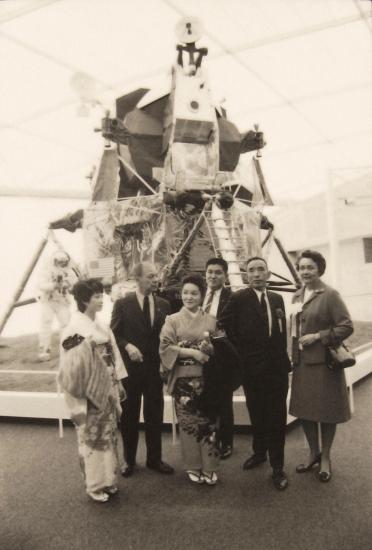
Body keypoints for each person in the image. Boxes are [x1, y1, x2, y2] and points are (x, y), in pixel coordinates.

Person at [219, 257, 291, 491]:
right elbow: (222, 325)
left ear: (268, 273)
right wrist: (239, 353)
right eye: (252, 270)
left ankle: (278, 467)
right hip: (252, 370)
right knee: (257, 414)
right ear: (246, 275)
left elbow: (280, 332)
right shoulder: (239, 298)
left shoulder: (277, 298)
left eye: (261, 269)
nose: (257, 274)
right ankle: (259, 453)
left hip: (278, 370)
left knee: (277, 417)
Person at [58, 279, 127, 503]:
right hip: (87, 389)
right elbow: (71, 365)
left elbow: (113, 352)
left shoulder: (102, 326)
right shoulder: (73, 329)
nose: (101, 300)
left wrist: (119, 381)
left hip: (107, 384)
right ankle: (94, 484)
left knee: (108, 434)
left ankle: (109, 480)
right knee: (90, 436)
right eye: (96, 296)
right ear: (84, 300)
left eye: (101, 295)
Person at [289, 250, 353, 482]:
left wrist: (318, 336)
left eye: (310, 267)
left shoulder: (330, 294)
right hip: (301, 364)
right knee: (305, 412)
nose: (305, 272)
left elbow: (346, 326)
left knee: (326, 413)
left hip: (324, 364)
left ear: (320, 269)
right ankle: (313, 453)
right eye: (302, 267)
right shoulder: (297, 296)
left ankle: (325, 457)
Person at [111, 262, 174, 477]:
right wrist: (128, 346)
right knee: (129, 416)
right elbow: (114, 336)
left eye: (156, 276)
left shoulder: (165, 305)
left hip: (155, 371)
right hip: (131, 371)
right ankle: (129, 461)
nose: (155, 279)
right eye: (150, 276)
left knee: (154, 415)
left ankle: (154, 460)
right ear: (137, 279)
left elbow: (169, 338)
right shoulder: (122, 304)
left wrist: (166, 364)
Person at [159, 274, 220, 485]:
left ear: (202, 295)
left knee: (209, 422)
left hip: (207, 378)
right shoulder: (172, 320)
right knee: (188, 424)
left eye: (194, 293)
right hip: (183, 378)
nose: (189, 296)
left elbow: (221, 349)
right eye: (185, 292)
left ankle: (210, 466)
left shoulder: (211, 320)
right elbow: (165, 347)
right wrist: (193, 353)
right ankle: (193, 465)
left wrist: (211, 349)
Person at [203, 257, 234, 459]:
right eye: (210, 272)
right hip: (199, 356)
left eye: (218, 272)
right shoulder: (197, 294)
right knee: (205, 398)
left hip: (221, 357)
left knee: (224, 400)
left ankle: (226, 442)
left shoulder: (232, 297)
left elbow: (234, 329)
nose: (213, 276)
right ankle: (208, 439)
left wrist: (217, 346)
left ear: (225, 275)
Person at [37, 250, 79, 361]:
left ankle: (68, 348)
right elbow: (41, 285)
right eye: (59, 261)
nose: (62, 264)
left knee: (66, 324)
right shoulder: (47, 270)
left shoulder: (69, 271)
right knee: (46, 324)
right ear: (54, 261)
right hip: (48, 301)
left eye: (64, 262)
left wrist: (67, 284)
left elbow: (75, 284)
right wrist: (54, 285)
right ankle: (44, 350)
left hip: (62, 302)